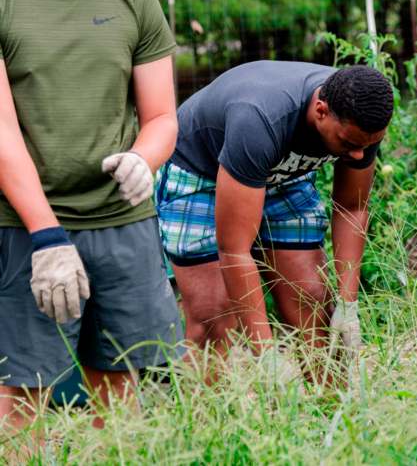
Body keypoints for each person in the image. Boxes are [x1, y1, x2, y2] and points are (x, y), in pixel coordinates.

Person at [0, 0, 183, 430]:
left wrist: (143, 160)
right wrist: (46, 234)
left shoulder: (135, 0)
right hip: (26, 228)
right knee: (23, 393)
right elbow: (1, 132)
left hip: (123, 222)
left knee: (120, 383)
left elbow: (163, 116)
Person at [155, 61, 393, 375]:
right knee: (213, 318)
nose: (359, 156)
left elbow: (352, 208)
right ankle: (210, 419)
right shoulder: (260, 118)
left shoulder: (361, 121)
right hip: (201, 171)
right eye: (349, 144)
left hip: (279, 174)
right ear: (320, 110)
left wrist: (348, 307)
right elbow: (234, 249)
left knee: (313, 303)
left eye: (367, 145)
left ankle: (332, 417)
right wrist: (265, 355)